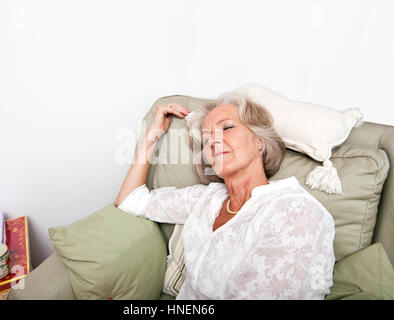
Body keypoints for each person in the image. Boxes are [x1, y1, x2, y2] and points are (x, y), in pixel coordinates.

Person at [114, 90, 335, 300]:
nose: (214, 142)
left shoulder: (296, 211)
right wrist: (153, 135)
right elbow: (130, 200)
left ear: (260, 141)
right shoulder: (206, 199)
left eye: (227, 128)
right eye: (207, 138)